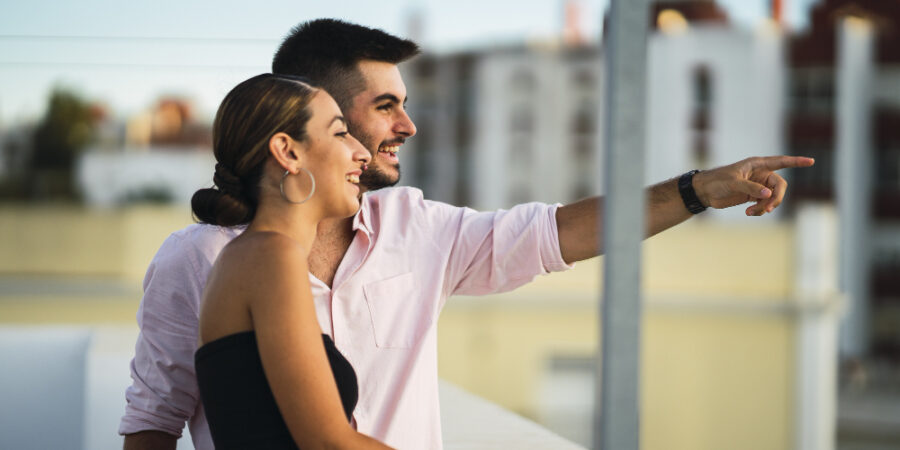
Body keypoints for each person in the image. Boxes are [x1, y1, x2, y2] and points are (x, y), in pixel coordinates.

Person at [120, 19, 815, 450]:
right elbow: (155, 418)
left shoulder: (418, 228)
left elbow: (563, 230)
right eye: (383, 106)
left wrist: (696, 190)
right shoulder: (205, 258)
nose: (406, 127)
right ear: (304, 125)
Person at [189, 73, 390, 448]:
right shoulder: (269, 256)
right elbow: (329, 442)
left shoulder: (254, 256)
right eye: (340, 133)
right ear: (288, 151)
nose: (362, 152)